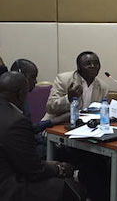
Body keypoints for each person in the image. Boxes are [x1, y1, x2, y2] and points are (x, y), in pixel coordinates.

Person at [0, 71, 75, 201]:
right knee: (67, 188)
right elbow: (33, 171)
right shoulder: (16, 120)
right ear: (20, 94)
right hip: (8, 186)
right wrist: (59, 168)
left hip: (9, 167)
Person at [43, 51, 108, 120]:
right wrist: (69, 98)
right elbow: (50, 107)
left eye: (96, 63)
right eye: (88, 63)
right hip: (57, 123)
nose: (93, 66)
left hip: (85, 126)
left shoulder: (103, 87)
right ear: (79, 67)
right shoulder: (63, 79)